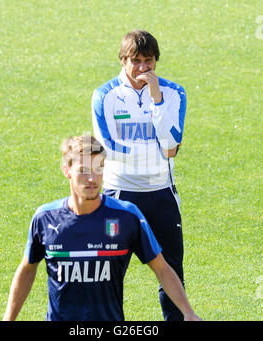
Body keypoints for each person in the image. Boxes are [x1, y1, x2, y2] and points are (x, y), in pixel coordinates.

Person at [3, 135, 201, 321]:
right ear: (67, 171)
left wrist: (188, 312)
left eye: (98, 168)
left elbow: (162, 269)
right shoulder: (45, 218)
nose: (92, 178)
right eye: (84, 170)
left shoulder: (127, 216)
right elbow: (27, 268)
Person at [92, 30, 187, 321]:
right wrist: (154, 149)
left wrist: (157, 101)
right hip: (118, 195)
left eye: (150, 61)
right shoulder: (105, 96)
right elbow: (110, 148)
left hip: (161, 194)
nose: (144, 68)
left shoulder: (173, 93)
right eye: (137, 61)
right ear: (123, 60)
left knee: (170, 271)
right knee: (108, 271)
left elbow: (171, 147)